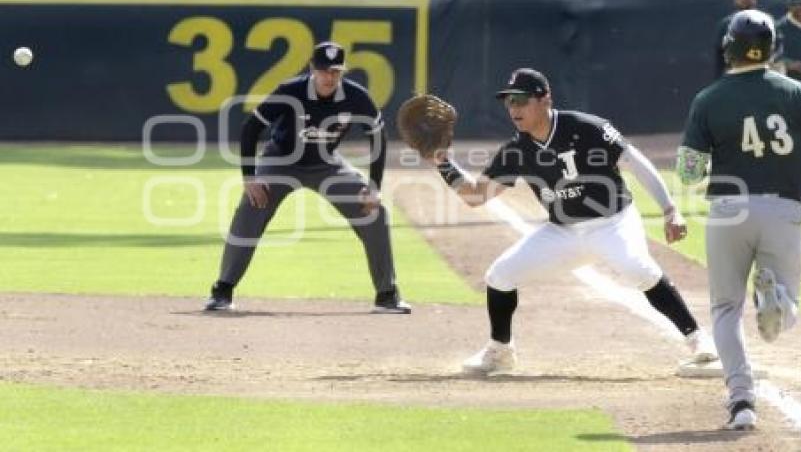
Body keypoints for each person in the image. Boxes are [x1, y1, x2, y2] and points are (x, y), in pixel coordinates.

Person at [432, 68, 718, 376]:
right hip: (563, 231)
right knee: (500, 276)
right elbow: (476, 195)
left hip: (613, 223)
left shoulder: (586, 127)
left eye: (521, 100)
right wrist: (442, 162)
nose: (514, 109)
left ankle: (700, 343)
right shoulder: (517, 150)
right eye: (509, 102)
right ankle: (500, 351)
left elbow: (634, 161)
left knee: (639, 269)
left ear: (545, 100)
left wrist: (669, 209)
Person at [678, 9, 801, 430]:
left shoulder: (708, 99)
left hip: (728, 212)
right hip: (783, 208)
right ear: (773, 47)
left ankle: (742, 400)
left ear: (728, 48)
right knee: (789, 309)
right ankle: (775, 302)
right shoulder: (798, 93)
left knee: (725, 309)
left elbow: (689, 172)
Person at [204, 41, 411, 314]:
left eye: (335, 71)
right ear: (313, 68)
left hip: (326, 164)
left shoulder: (356, 96)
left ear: (343, 72)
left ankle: (387, 295)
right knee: (251, 205)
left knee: (373, 210)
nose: (329, 77)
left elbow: (378, 137)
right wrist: (249, 177)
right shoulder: (291, 91)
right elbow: (251, 128)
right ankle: (222, 291)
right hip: (281, 161)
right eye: (324, 71)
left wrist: (373, 187)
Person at [714, 0, 759, 79]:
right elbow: (720, 55)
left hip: (758, 74)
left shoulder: (765, 22)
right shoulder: (726, 24)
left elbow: (776, 51)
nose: (744, 0)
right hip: (733, 74)